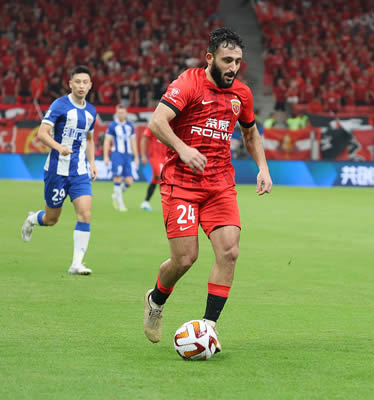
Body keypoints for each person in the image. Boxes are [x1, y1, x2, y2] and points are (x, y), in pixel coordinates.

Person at [142, 28, 273, 350]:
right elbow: (157, 122)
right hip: (181, 184)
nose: (233, 67)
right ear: (210, 58)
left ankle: (208, 329)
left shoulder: (241, 94)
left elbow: (250, 133)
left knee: (230, 252)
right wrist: (183, 148)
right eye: (227, 60)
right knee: (185, 259)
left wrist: (263, 168)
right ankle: (156, 300)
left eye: (238, 61)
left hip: (220, 185)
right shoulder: (188, 83)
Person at [21, 65, 98, 275]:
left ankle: (76, 264)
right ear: (70, 84)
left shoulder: (91, 111)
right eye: (77, 82)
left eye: (85, 82)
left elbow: (89, 139)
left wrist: (92, 163)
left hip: (79, 172)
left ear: (90, 85)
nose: (81, 86)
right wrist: (59, 147)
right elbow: (42, 133)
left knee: (85, 214)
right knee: (51, 219)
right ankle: (32, 219)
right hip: (57, 170)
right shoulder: (59, 105)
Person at [103, 104, 139, 211]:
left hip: (127, 156)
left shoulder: (130, 126)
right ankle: (121, 204)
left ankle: (116, 195)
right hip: (117, 154)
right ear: (116, 113)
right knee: (117, 178)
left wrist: (136, 157)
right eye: (119, 112)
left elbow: (133, 142)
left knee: (129, 181)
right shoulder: (112, 126)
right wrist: (106, 156)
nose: (121, 114)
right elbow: (107, 141)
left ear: (126, 113)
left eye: (122, 112)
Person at [139, 126, 168, 211]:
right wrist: (143, 155)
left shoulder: (170, 125)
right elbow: (144, 139)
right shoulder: (153, 125)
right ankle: (167, 203)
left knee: (155, 179)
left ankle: (145, 202)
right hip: (155, 157)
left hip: (165, 157)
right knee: (161, 176)